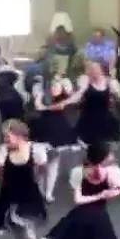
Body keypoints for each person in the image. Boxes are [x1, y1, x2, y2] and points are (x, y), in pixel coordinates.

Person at [28, 66, 78, 202]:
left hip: (56, 126)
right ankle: (40, 189)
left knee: (53, 161)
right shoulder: (39, 86)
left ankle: (48, 192)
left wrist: (61, 84)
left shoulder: (63, 84)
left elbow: (67, 101)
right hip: (44, 126)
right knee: (42, 162)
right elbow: (38, 105)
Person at [70, 62, 120, 148]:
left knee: (104, 140)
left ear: (101, 70)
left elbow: (118, 99)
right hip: (88, 114)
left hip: (104, 114)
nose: (94, 71)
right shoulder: (85, 81)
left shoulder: (110, 82)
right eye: (92, 69)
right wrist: (67, 101)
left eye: (96, 69)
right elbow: (78, 95)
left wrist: (114, 96)